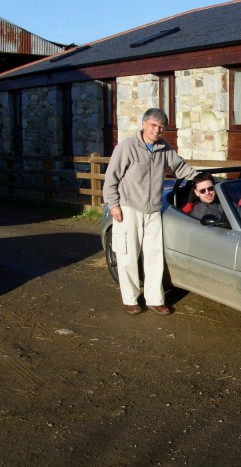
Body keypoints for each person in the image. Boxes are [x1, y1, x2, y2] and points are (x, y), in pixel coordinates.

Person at [103, 108, 196, 315]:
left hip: (153, 209)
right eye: (153, 125)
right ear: (144, 124)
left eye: (161, 127)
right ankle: (130, 299)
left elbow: (180, 168)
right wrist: (114, 205)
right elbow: (111, 178)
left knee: (154, 256)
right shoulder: (127, 146)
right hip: (128, 208)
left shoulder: (164, 148)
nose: (157, 130)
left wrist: (200, 179)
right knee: (128, 255)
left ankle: (155, 298)